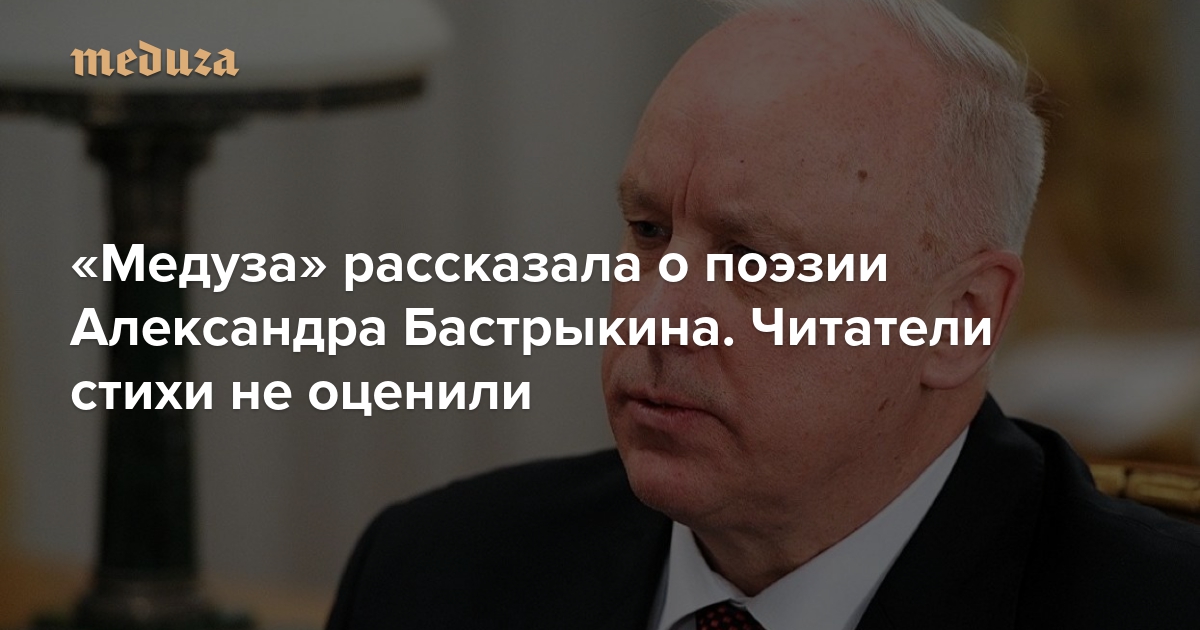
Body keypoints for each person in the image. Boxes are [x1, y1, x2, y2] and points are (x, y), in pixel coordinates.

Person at [326, 0, 1200, 628]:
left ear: (960, 317)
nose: (658, 318)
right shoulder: (433, 575)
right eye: (648, 231)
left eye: (752, 261)